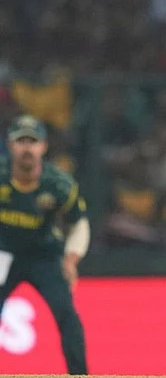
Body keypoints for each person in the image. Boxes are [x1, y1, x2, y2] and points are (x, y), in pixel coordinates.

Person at [0, 115, 90, 374]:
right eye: (21, 141)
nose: (27, 148)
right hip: (4, 252)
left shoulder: (58, 183)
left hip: (45, 255)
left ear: (43, 146)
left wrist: (71, 259)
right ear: (10, 145)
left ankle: (80, 375)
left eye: (33, 141)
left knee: (67, 316)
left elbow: (79, 224)